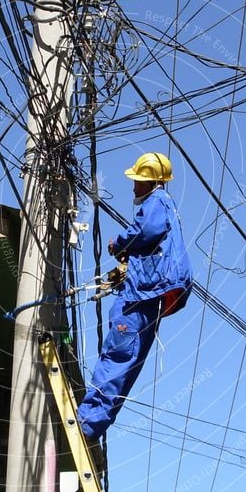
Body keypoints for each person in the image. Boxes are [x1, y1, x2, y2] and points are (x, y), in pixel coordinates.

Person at [77, 152, 192, 442]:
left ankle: (88, 420)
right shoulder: (166, 207)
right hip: (149, 295)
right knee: (127, 361)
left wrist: (119, 243)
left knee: (117, 354)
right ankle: (93, 424)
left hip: (140, 296)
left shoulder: (157, 202)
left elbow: (144, 229)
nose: (133, 188)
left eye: (138, 181)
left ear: (151, 181)